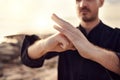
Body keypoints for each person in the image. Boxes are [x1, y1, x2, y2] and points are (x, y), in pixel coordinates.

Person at [21, 0, 120, 80]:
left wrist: (92, 50)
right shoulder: (66, 36)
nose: (82, 4)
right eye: (78, 0)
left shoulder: (116, 35)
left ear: (101, 2)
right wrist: (44, 45)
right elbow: (27, 57)